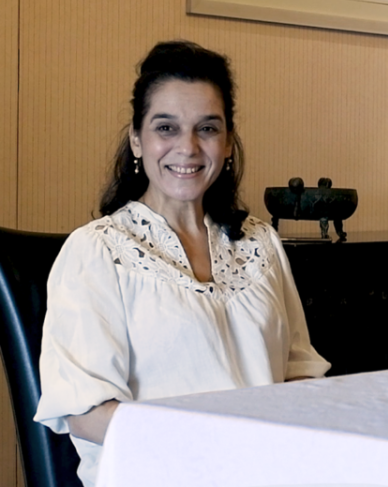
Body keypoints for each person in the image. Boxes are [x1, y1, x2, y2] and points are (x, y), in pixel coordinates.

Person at [34, 41, 330, 486]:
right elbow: (86, 413)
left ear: (228, 142)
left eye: (207, 128)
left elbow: (299, 373)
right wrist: (212, 444)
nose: (188, 148)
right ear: (137, 139)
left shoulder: (261, 242)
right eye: (166, 128)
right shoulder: (96, 252)